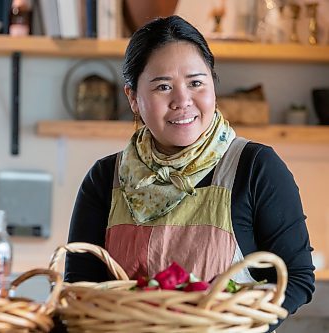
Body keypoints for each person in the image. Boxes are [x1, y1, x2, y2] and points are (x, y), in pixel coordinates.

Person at [65, 15, 314, 330]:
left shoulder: (255, 167)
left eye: (196, 83)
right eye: (163, 87)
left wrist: (244, 326)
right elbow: (78, 288)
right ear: (133, 98)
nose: (182, 101)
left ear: (212, 85)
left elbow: (297, 278)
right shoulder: (105, 178)